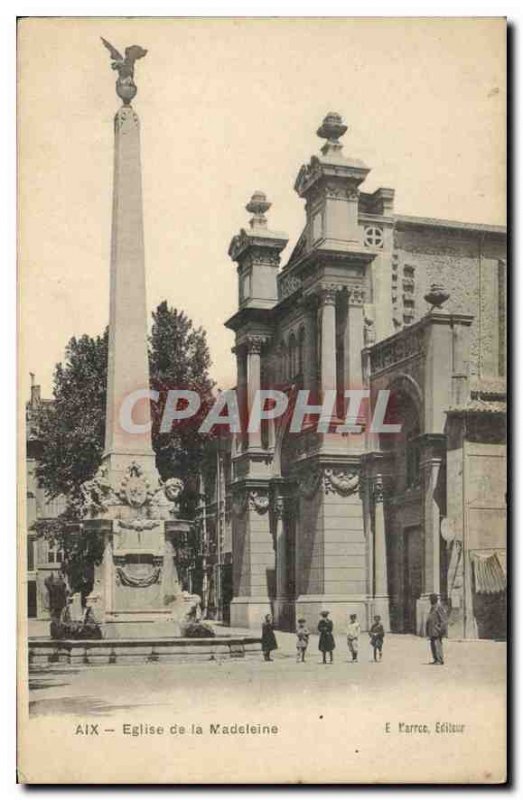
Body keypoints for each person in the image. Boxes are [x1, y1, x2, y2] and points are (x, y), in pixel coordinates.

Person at [425, 593, 448, 665]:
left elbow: (443, 620)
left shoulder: (439, 607)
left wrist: (440, 629)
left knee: (437, 645)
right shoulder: (433, 607)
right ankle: (435, 659)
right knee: (433, 645)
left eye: (431, 599)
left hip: (436, 631)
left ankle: (439, 660)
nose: (430, 601)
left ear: (434, 600)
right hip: (432, 631)